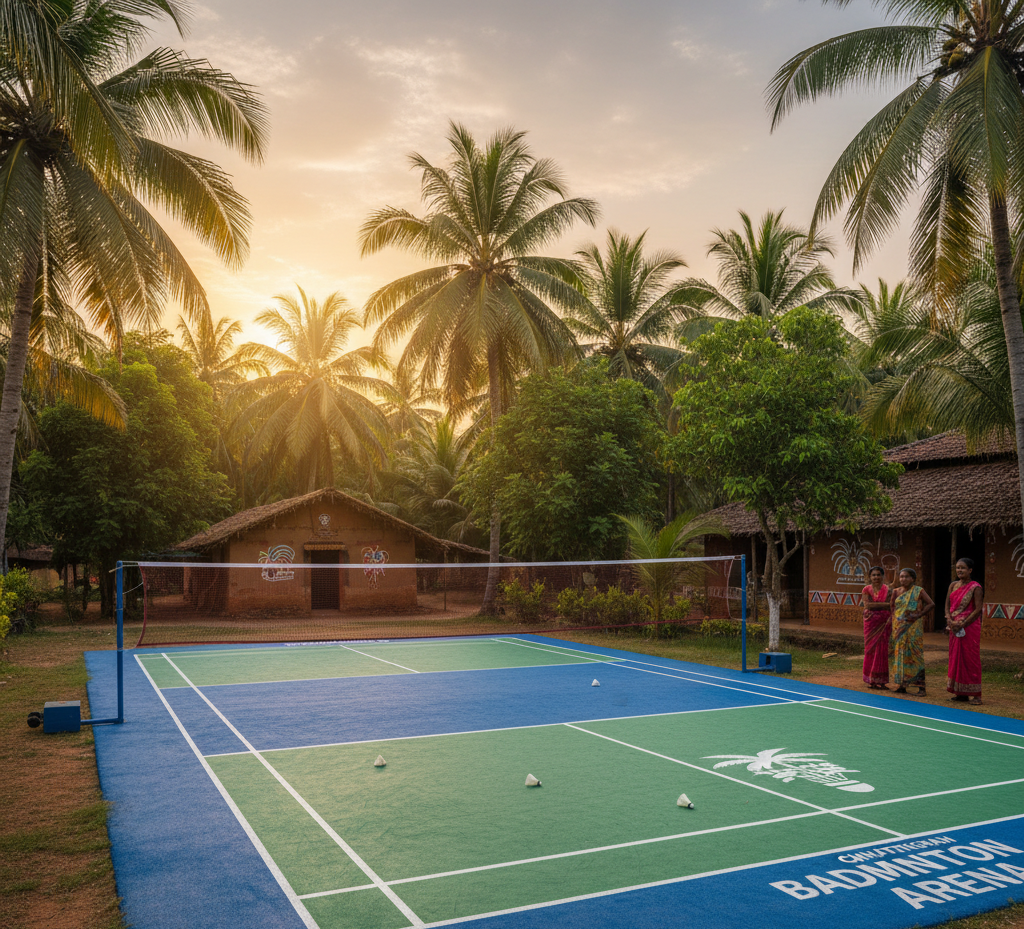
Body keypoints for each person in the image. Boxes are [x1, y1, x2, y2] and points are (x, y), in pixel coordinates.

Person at [945, 557, 984, 705]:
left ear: (970, 570)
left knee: (970, 659)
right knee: (956, 658)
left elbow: (978, 609)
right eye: (957, 568)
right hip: (954, 626)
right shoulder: (953, 586)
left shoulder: (976, 588)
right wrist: (949, 619)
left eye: (962, 568)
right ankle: (960, 692)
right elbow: (947, 604)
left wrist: (964, 623)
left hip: (969, 626)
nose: (959, 570)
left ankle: (976, 695)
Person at [889, 568, 934, 696]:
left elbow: (931, 604)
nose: (903, 579)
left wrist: (919, 615)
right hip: (899, 628)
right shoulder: (896, 592)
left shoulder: (918, 591)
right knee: (900, 655)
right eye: (901, 576)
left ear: (912, 579)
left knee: (915, 655)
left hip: (914, 627)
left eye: (906, 576)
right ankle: (902, 685)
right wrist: (896, 624)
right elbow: (892, 608)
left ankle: (921, 686)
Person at [860, 565, 891, 689]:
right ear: (870, 577)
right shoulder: (866, 589)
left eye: (878, 575)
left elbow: (891, 606)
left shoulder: (888, 590)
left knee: (882, 651)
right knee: (870, 651)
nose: (876, 577)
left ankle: (882, 681)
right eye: (874, 575)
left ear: (883, 576)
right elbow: (867, 606)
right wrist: (883, 605)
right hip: (871, 624)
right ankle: (871, 680)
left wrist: (876, 606)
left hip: (884, 624)